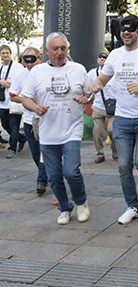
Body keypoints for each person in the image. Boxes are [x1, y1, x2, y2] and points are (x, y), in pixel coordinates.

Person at [89, 15, 138, 225]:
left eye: (131, 29)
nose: (126, 32)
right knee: (123, 165)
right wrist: (95, 85)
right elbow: (102, 79)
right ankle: (132, 206)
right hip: (122, 118)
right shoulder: (114, 55)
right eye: (124, 30)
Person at [21, 32, 91, 225]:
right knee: (53, 176)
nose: (60, 53)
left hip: (72, 128)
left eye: (63, 49)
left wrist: (86, 98)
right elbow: (25, 98)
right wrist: (35, 107)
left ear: (68, 50)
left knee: (71, 171)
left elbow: (89, 93)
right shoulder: (37, 72)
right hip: (48, 131)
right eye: (55, 49)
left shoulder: (78, 69)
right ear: (46, 51)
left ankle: (81, 201)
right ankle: (65, 207)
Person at [9, 47, 48, 194]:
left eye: (33, 59)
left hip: (46, 119)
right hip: (29, 120)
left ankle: (42, 180)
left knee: (45, 150)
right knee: (35, 152)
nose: (30, 63)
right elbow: (13, 95)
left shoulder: (47, 72)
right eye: (26, 60)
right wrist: (26, 99)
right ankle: (47, 174)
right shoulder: (21, 75)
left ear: (40, 58)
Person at [88, 52, 117, 164]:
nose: (102, 59)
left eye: (104, 58)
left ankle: (115, 148)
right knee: (96, 132)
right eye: (100, 57)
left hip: (112, 105)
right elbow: (88, 87)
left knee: (112, 130)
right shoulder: (92, 73)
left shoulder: (114, 73)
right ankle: (100, 154)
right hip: (98, 105)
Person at [0, 44, 25, 159]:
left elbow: (23, 80)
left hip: (14, 101)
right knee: (5, 125)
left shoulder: (18, 67)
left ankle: (12, 148)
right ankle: (21, 138)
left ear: (11, 54)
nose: (5, 55)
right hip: (2, 102)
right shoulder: (0, 67)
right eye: (3, 53)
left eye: (7, 53)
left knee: (14, 125)